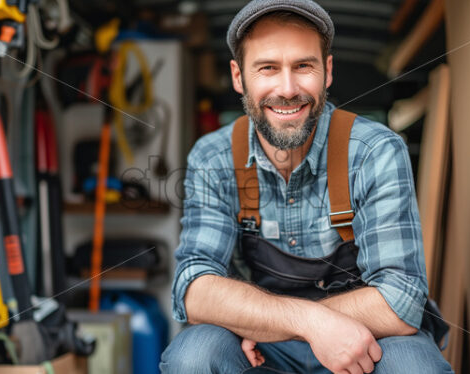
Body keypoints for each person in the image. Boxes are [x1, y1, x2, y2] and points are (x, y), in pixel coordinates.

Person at [160, 0, 454, 373]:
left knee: (415, 368)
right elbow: (195, 289)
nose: (287, 88)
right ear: (239, 77)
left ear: (327, 71)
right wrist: (309, 323)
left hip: (365, 339)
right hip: (263, 351)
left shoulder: (375, 151)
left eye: (303, 66)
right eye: (267, 68)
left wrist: (266, 321)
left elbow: (402, 301)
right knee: (195, 356)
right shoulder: (214, 157)